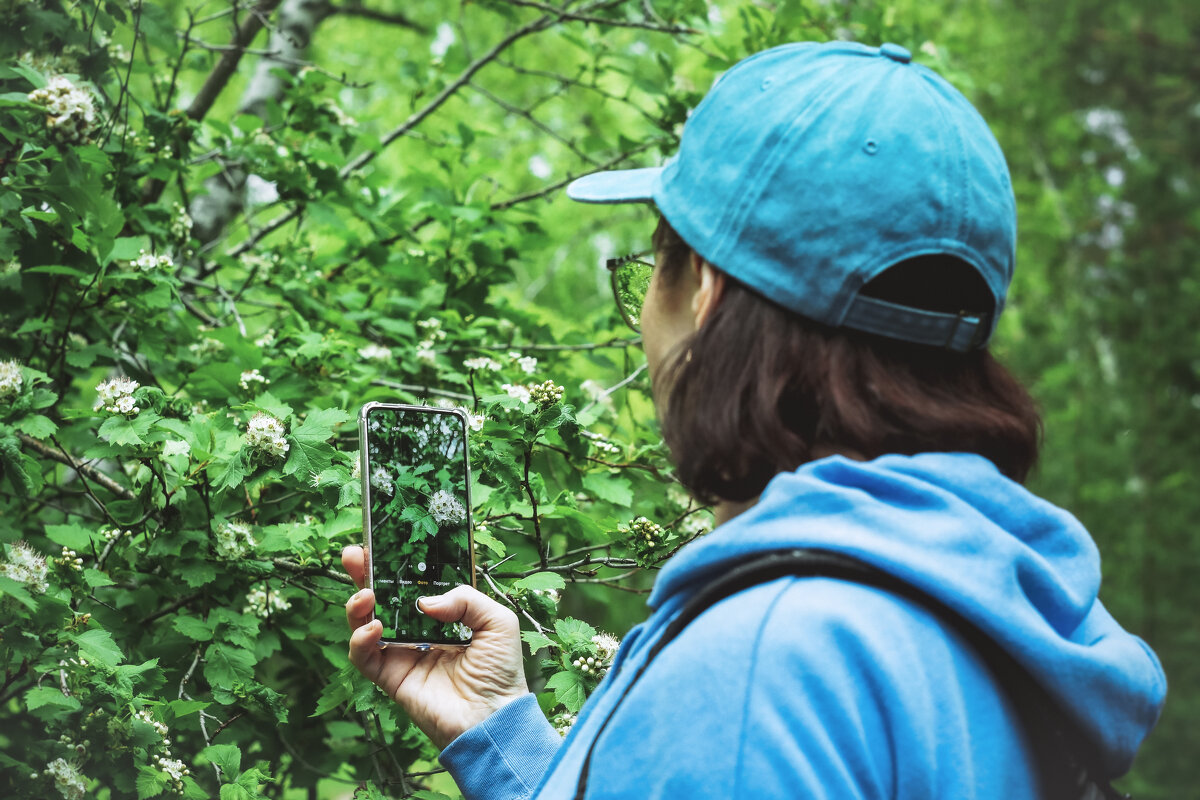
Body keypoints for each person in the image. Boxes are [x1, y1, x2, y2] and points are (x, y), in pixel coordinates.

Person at [341, 40, 1166, 798]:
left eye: (652, 272)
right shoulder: (992, 617)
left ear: (707, 295)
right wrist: (501, 736)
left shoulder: (757, 668)